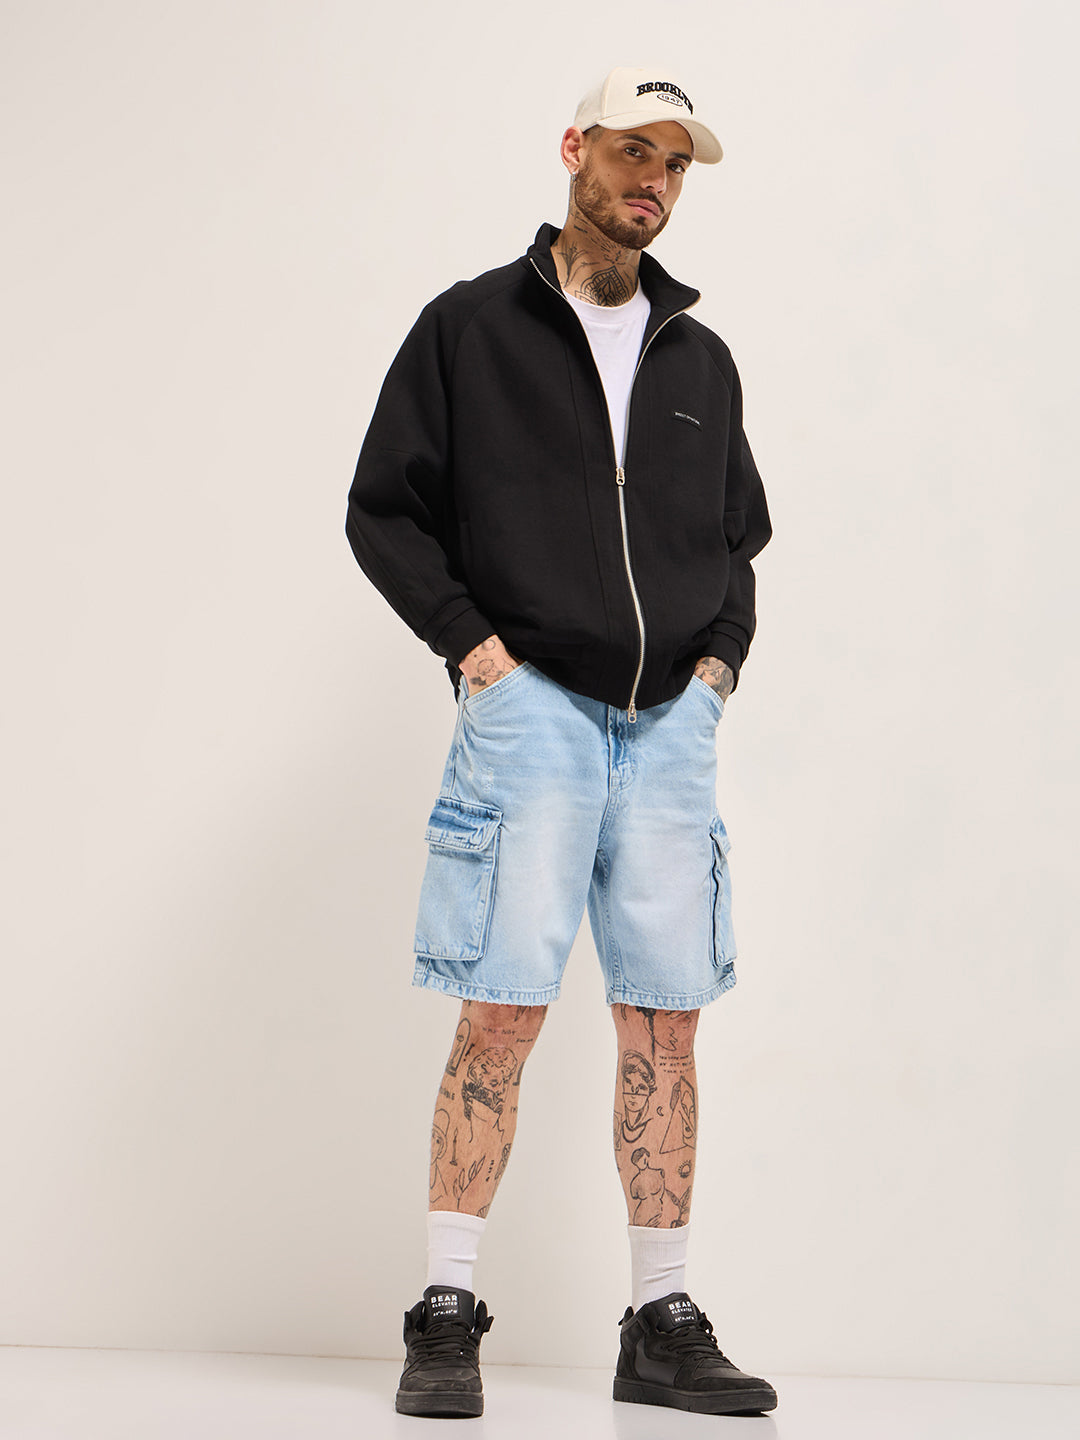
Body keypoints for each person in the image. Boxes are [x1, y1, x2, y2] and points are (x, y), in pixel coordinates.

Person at [346, 64, 775, 1420]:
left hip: (670, 727)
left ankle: (660, 1321)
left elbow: (740, 538)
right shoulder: (472, 328)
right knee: (503, 1009)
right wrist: (478, 655)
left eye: (677, 163)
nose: (656, 180)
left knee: (666, 1024)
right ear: (577, 147)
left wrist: (717, 670)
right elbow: (384, 510)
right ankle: (446, 1309)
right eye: (635, 150)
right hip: (530, 710)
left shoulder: (699, 359)